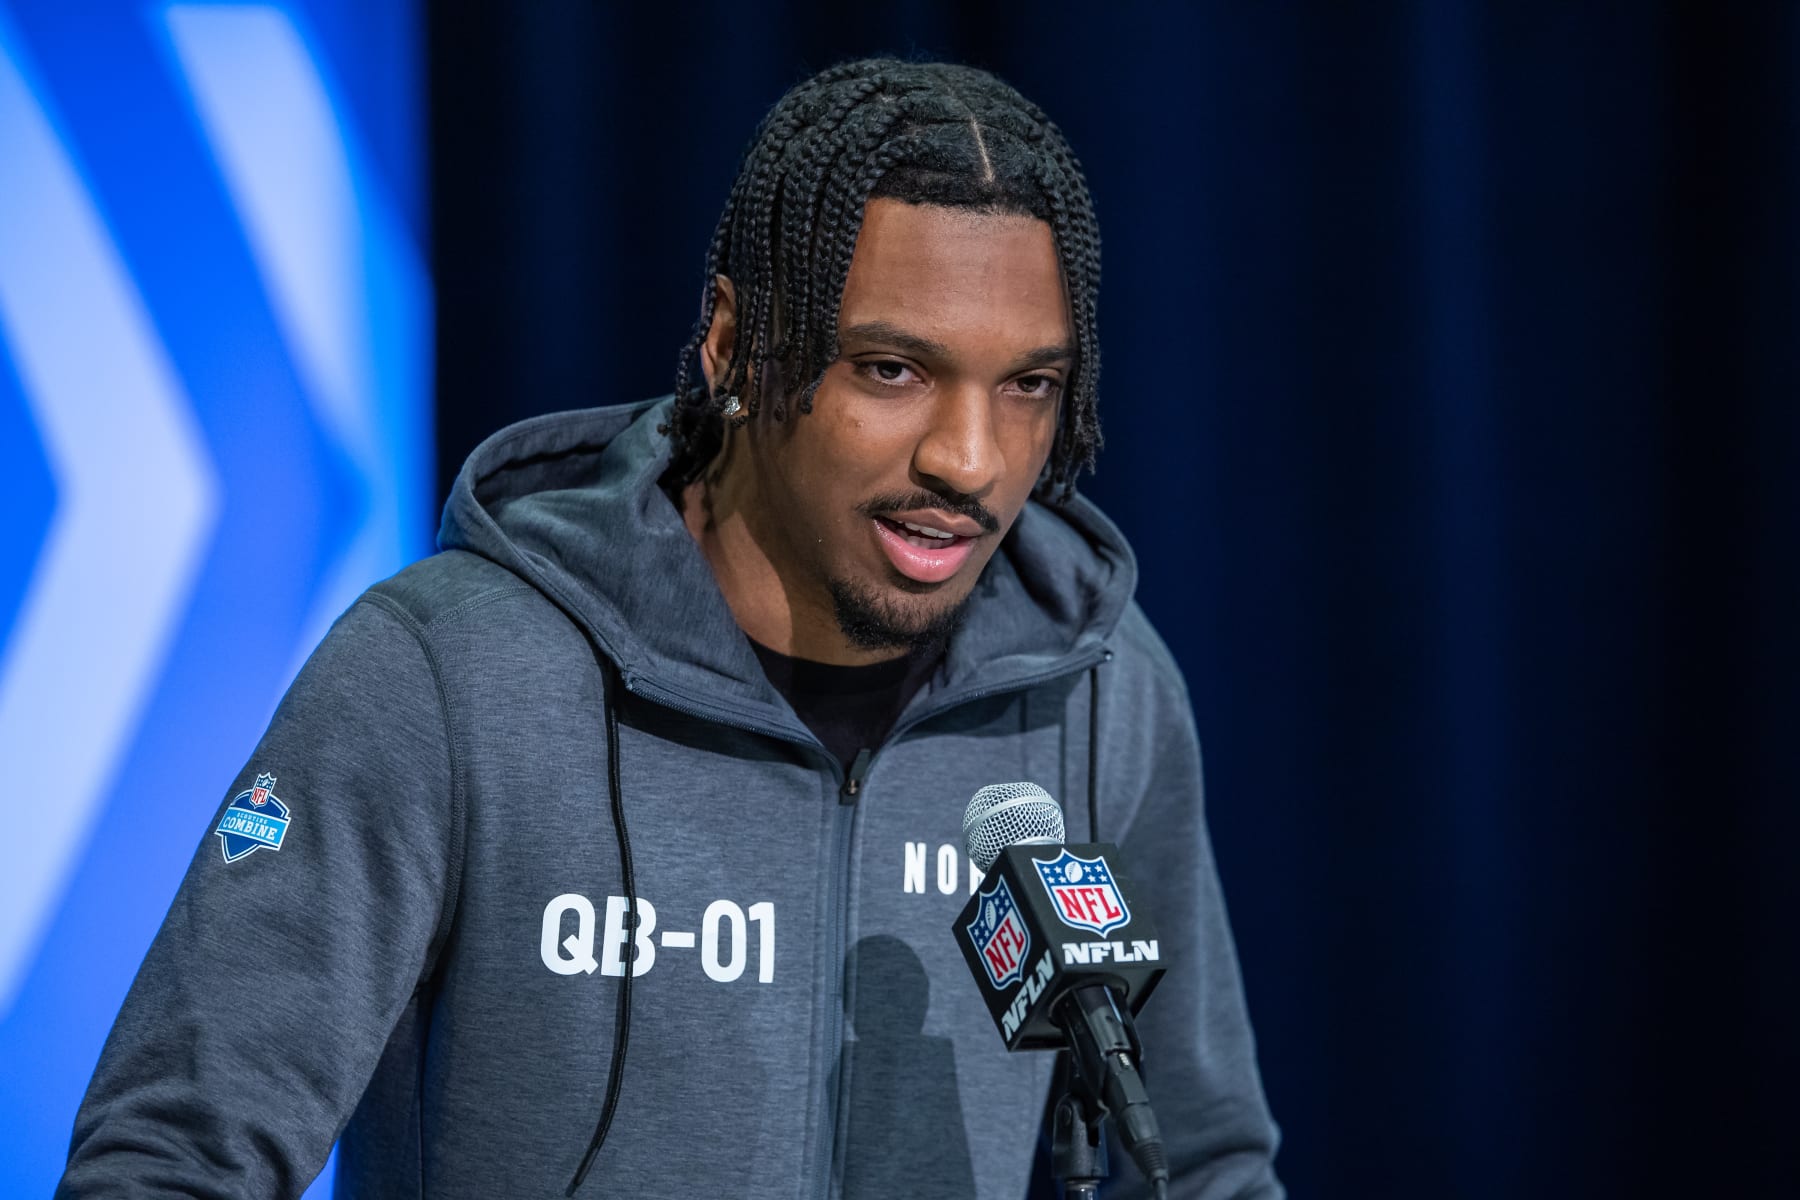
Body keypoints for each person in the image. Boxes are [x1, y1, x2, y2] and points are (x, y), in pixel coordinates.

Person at [58, 58, 1282, 1199]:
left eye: (1028, 387)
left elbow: (1209, 1161)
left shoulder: (1101, 692)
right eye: (892, 371)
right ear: (734, 344)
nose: (971, 461)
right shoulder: (446, 676)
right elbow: (171, 1156)